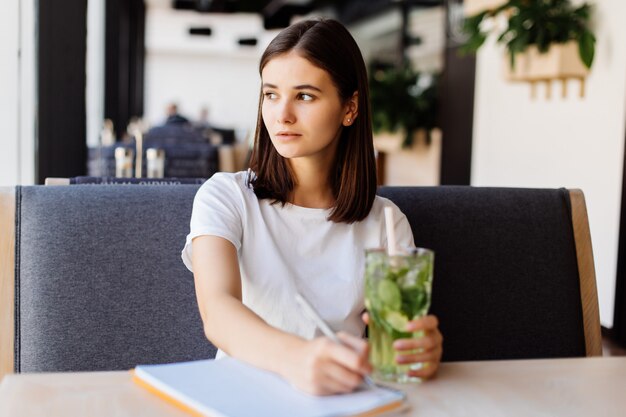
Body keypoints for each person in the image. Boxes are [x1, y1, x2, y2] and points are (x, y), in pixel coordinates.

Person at [182, 18, 443, 396]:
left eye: (304, 96)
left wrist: (417, 352)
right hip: (242, 397)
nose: (282, 114)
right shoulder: (226, 196)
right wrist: (296, 359)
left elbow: (395, 339)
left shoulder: (385, 222)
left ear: (349, 107)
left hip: (341, 399)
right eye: (271, 94)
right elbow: (218, 311)